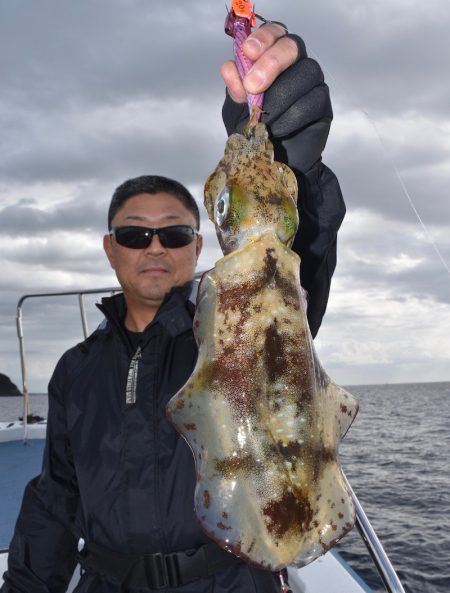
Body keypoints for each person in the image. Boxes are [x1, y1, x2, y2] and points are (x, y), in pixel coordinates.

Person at [1, 23, 345, 593]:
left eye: (175, 233)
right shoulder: (74, 371)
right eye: (135, 236)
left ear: (200, 243)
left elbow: (298, 273)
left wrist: (295, 172)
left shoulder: (229, 326)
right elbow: (56, 499)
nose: (155, 248)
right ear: (110, 249)